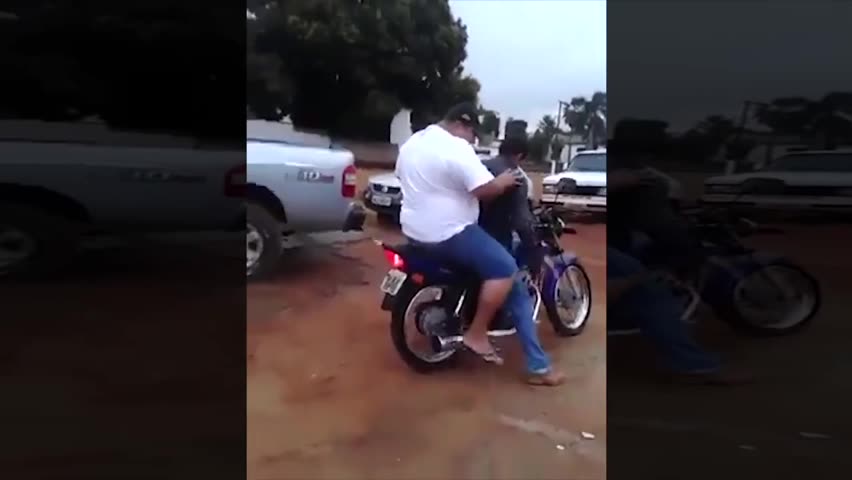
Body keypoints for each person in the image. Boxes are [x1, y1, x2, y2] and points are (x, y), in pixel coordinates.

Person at [395, 102, 521, 364]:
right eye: (473, 134)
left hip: (413, 230)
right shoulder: (456, 147)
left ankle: (462, 306)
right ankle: (477, 334)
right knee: (505, 267)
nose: (473, 141)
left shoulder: (413, 142)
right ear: (461, 125)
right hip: (449, 233)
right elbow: (485, 190)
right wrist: (503, 182)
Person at [478, 136, 566, 385]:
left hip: (464, 237)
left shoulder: (480, 165)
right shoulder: (515, 176)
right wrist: (534, 248)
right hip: (494, 244)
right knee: (520, 300)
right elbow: (522, 222)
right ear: (520, 156)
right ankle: (539, 367)